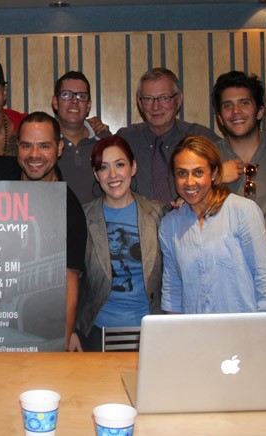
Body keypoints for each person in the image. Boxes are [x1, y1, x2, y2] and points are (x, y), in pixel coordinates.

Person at [0, 111, 87, 351]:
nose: (34, 155)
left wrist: (64, 338)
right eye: (26, 145)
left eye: (44, 146)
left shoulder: (69, 210)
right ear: (17, 147)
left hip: (29, 329)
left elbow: (69, 285)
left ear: (59, 148)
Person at [158, 135, 266, 314]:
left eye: (198, 172)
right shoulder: (169, 225)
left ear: (215, 173)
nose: (189, 182)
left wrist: (263, 334)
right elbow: (173, 291)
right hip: (196, 335)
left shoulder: (242, 211)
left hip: (243, 333)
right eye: (182, 173)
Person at [77, 135, 165, 351]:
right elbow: (70, 280)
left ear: (133, 167)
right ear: (96, 175)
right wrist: (71, 330)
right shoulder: (82, 218)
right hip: (96, 334)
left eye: (120, 165)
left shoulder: (160, 214)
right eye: (104, 168)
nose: (113, 175)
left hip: (152, 333)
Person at [212, 71, 266, 274]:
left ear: (260, 111)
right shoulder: (208, 158)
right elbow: (183, 202)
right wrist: (216, 177)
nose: (236, 111)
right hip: (228, 276)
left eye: (244, 103)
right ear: (220, 118)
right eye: (227, 105)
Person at [117, 67, 219, 204]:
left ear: (179, 99)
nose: (156, 107)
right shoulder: (126, 140)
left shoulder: (202, 138)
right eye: (148, 99)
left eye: (164, 98)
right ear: (140, 103)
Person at [53, 71, 112, 204]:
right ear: (55, 102)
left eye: (81, 96)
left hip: (99, 223)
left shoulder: (106, 141)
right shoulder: (43, 143)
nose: (74, 101)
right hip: (56, 222)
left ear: (88, 105)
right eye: (66, 95)